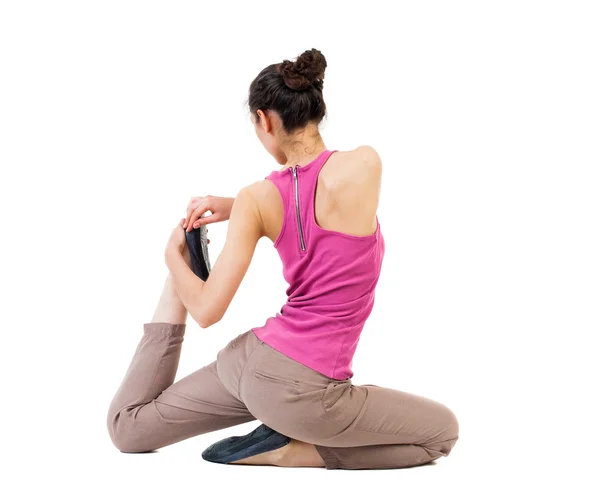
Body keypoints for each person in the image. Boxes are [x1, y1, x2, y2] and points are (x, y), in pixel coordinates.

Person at [106, 48, 459, 470]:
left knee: (128, 428)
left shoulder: (257, 199)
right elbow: (320, 199)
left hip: (247, 364)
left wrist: (175, 257)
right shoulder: (363, 166)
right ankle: (290, 450)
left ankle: (176, 280)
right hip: (303, 397)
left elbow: (206, 310)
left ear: (264, 119)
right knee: (441, 434)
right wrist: (237, 208)